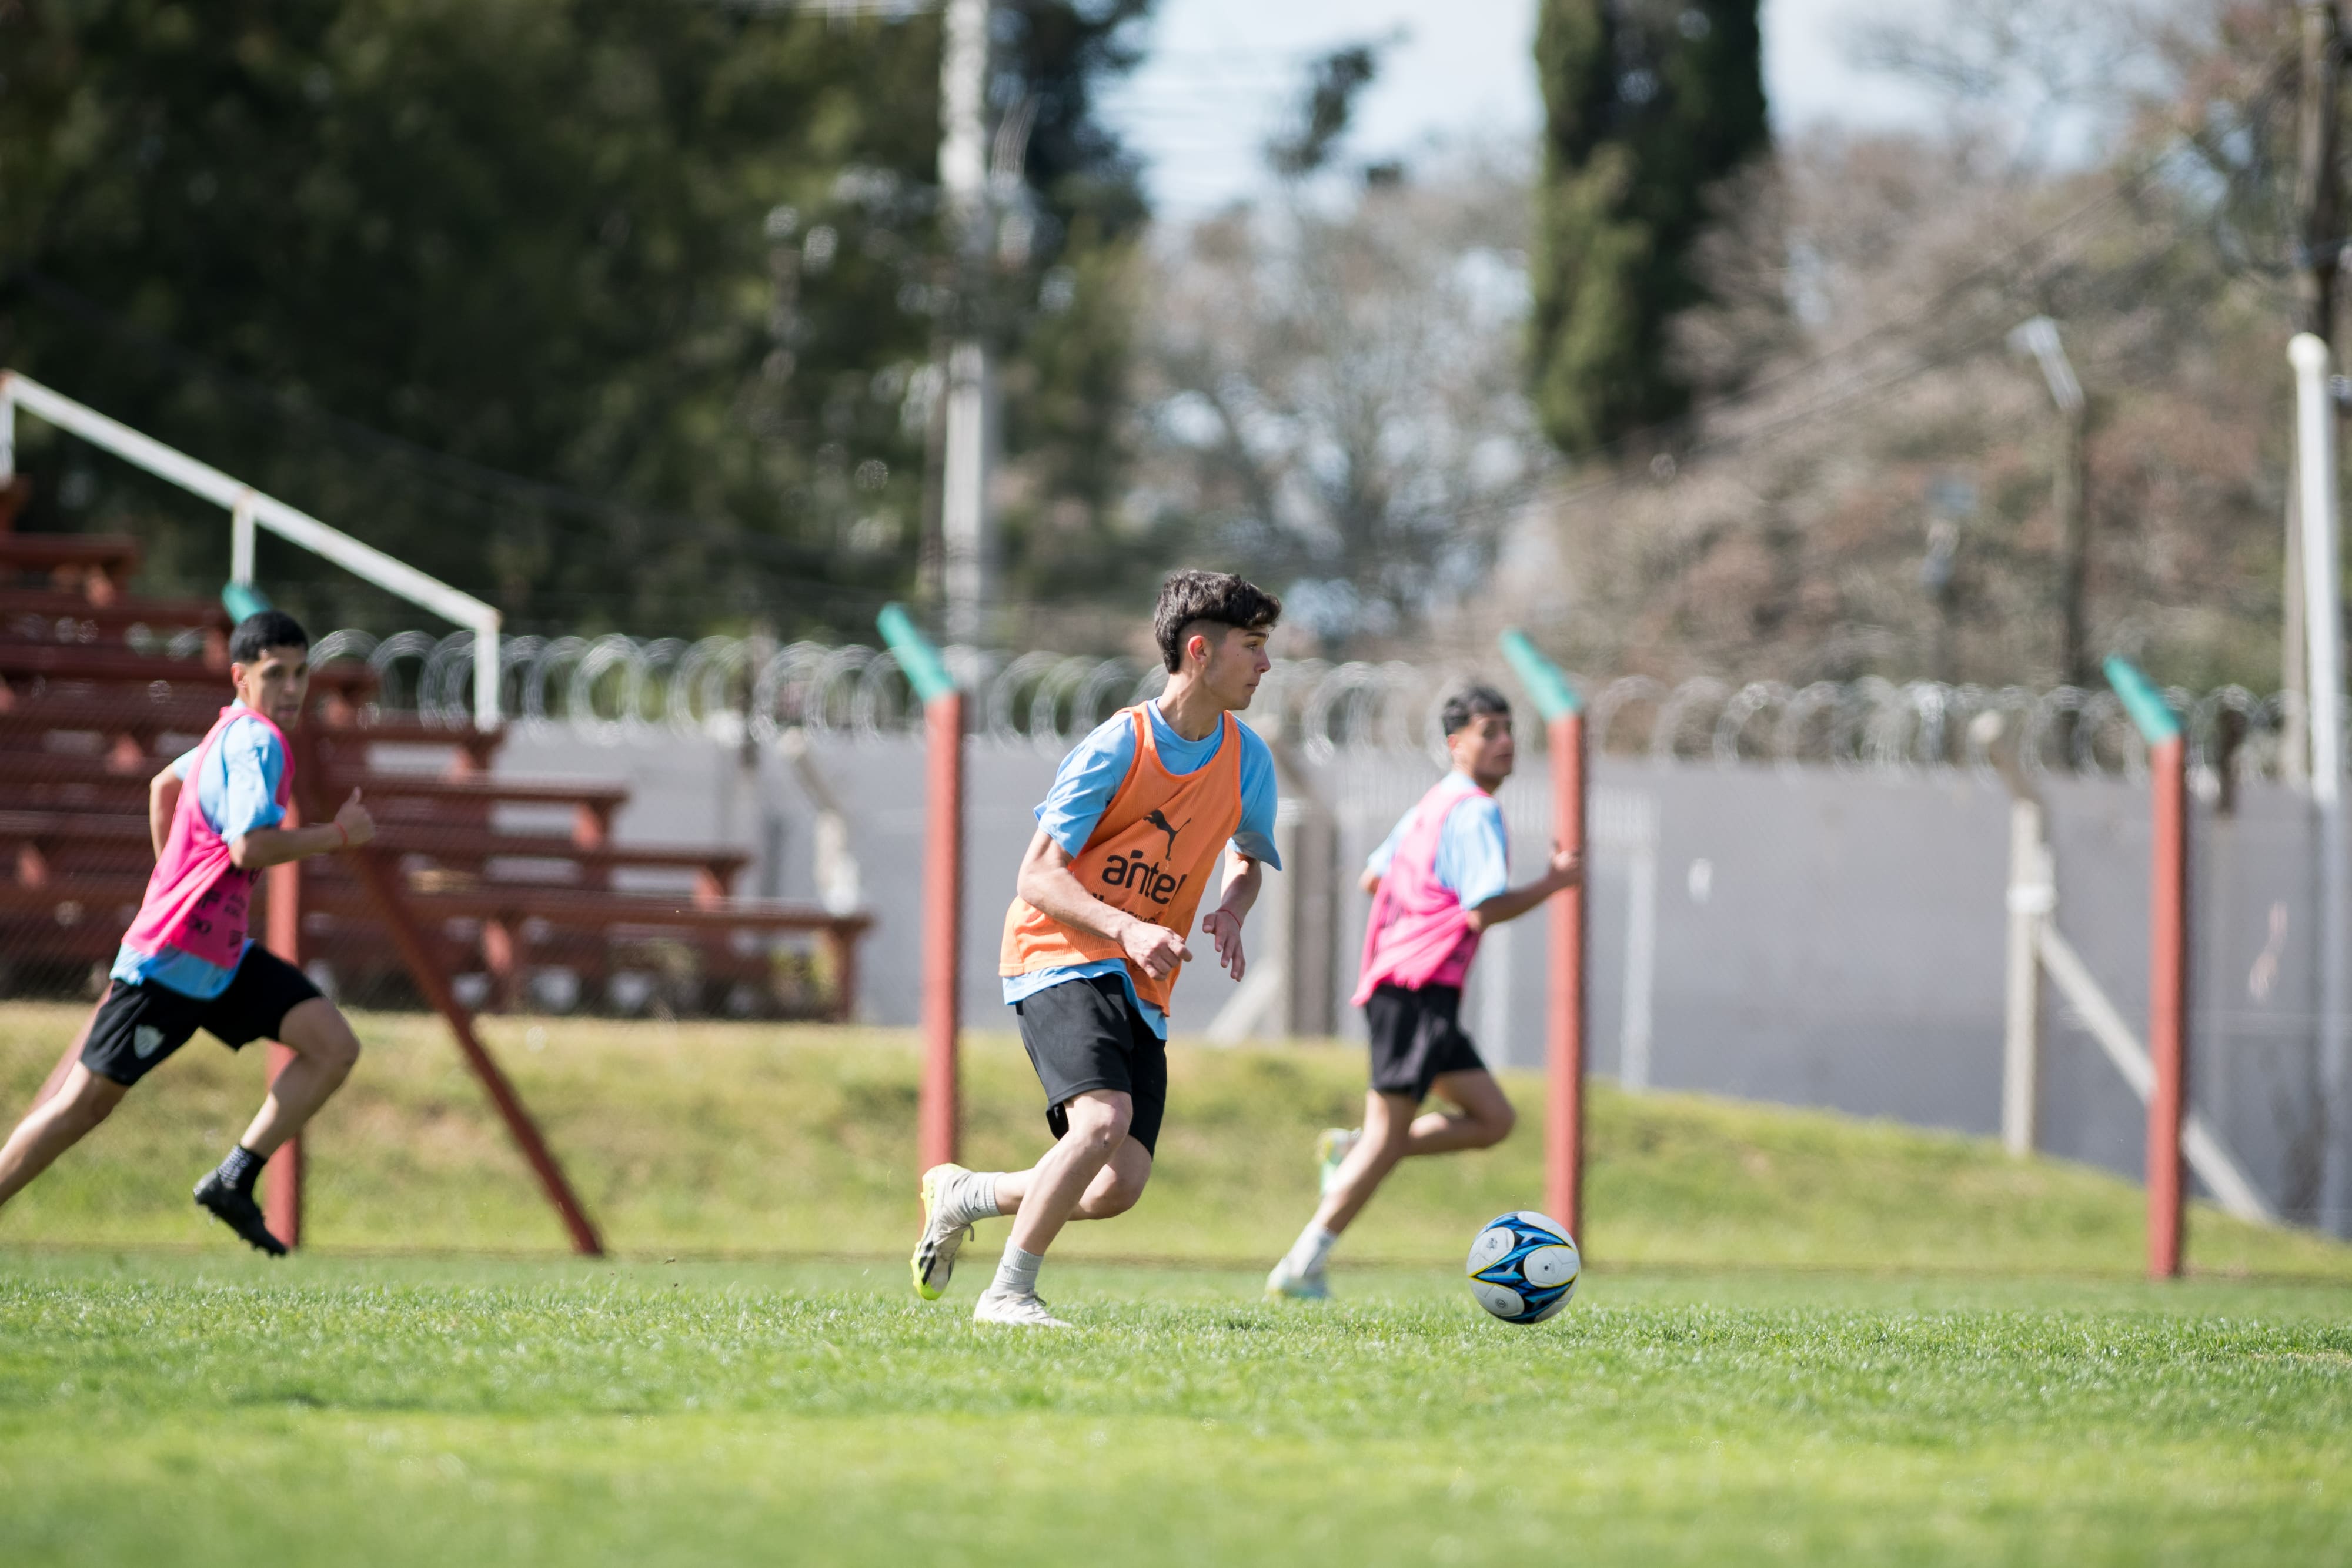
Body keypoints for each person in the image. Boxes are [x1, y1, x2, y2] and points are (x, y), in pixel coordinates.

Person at [910, 570, 1285, 1328]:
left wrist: (1232, 909)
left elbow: (1248, 853)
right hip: (1056, 950)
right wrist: (1127, 928)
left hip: (1141, 976)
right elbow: (1037, 874)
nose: (1266, 665)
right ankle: (1008, 1294)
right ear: (1201, 652)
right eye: (1254, 647)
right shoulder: (1119, 743)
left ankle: (967, 1196)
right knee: (1101, 1123)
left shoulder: (1248, 759)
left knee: (1116, 1186)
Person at [0, 610, 376, 1254]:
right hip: (171, 961)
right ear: (241, 676)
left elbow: (163, 787)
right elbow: (248, 848)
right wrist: (338, 836)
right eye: (275, 674)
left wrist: (173, 878)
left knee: (332, 1044)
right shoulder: (258, 740)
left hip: (219, 958)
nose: (291, 688)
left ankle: (235, 1177)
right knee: (80, 1110)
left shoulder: (226, 733)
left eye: (301, 673)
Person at [1264, 684, 1580, 1300]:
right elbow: (1483, 908)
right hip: (1417, 986)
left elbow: (1371, 876)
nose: (1505, 742)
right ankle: (1301, 1267)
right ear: (1454, 744)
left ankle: (1356, 1151)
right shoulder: (1476, 811)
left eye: (1508, 730)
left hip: (1411, 986)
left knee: (1492, 1119)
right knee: (1393, 1136)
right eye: (1489, 732)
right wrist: (1556, 882)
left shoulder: (1432, 805)